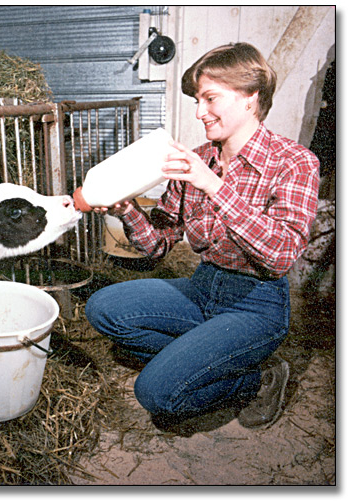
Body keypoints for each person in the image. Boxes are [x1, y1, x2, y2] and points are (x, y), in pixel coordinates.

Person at [85, 42, 320, 431]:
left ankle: (258, 377)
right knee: (102, 309)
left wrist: (213, 185)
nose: (199, 113)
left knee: (157, 393)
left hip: (256, 303)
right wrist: (127, 210)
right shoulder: (199, 158)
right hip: (203, 286)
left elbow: (280, 255)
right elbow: (157, 245)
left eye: (210, 98)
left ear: (250, 98)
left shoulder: (293, 162)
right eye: (197, 100)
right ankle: (212, 353)